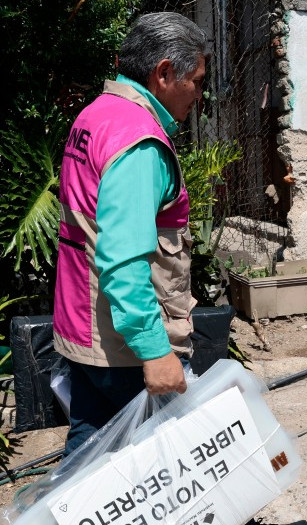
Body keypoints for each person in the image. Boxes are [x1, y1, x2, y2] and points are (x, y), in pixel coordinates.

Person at [52, 11, 209, 456]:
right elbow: (123, 258)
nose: (199, 93)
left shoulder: (96, 116)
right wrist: (155, 351)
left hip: (83, 326)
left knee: (90, 453)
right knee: (168, 461)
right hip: (123, 346)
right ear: (163, 74)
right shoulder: (139, 142)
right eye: (195, 80)